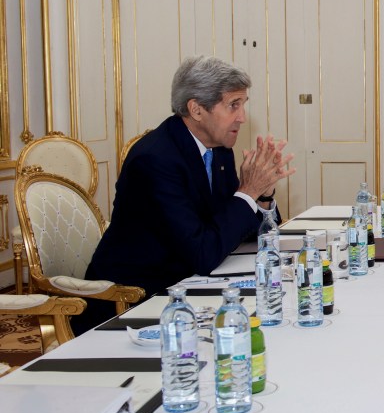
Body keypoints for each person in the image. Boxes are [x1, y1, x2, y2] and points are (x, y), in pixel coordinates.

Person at [78, 56, 296, 333]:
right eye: (233, 105)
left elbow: (240, 234)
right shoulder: (155, 160)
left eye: (242, 105)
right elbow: (203, 252)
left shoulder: (218, 150)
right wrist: (247, 192)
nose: (241, 117)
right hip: (134, 302)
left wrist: (262, 196)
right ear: (196, 109)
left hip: (189, 283)